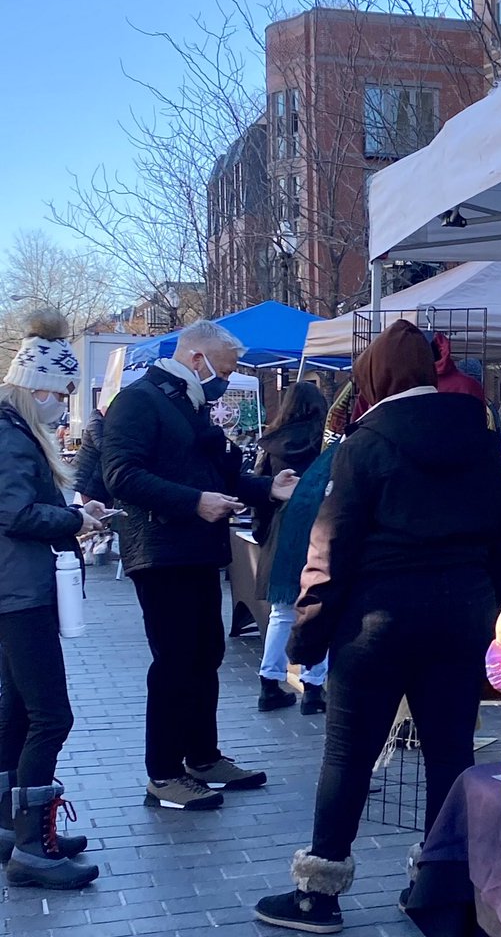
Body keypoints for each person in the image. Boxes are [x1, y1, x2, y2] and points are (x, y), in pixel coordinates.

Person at [254, 321, 501, 934]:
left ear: (373, 376)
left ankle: (317, 896)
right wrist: (498, 609)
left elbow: (331, 546)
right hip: (463, 616)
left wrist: (305, 639)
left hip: (377, 621)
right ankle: (442, 891)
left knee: (348, 756)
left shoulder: (364, 442)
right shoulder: (481, 437)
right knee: (451, 754)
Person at [102, 320, 298, 811]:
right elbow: (120, 476)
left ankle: (202, 757)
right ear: (196, 360)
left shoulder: (187, 404)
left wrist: (267, 489)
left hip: (195, 550)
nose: (226, 380)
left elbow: (219, 473)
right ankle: (164, 774)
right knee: (175, 661)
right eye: (225, 370)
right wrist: (194, 502)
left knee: (205, 653)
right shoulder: (140, 401)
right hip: (161, 552)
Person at [0, 310, 105, 889]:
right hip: (22, 592)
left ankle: (15, 830)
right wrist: (73, 519)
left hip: (14, 588)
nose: (64, 406)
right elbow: (14, 512)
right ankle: (34, 850)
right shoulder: (10, 435)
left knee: (16, 712)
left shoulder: (11, 429)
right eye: (61, 394)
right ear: (37, 387)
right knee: (50, 715)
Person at [254, 381, 330, 715]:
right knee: (318, 610)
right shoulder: (327, 446)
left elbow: (260, 495)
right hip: (318, 532)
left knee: (281, 613)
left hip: (281, 535)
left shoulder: (270, 445)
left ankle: (269, 682)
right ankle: (314, 688)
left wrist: (262, 532)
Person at [73, 404, 111, 506]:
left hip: (92, 474)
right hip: (89, 475)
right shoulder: (96, 421)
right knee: (96, 513)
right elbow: (101, 444)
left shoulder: (99, 421)